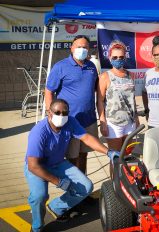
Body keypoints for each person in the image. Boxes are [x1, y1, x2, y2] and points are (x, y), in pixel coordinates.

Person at [24, 99, 119, 232]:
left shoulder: (71, 122)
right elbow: (33, 165)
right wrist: (58, 181)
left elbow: (86, 138)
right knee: (39, 196)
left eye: (65, 113)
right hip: (38, 167)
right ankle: (37, 227)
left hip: (57, 163)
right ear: (49, 113)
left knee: (86, 186)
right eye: (57, 112)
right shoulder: (39, 132)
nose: (61, 116)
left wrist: (108, 152)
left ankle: (56, 207)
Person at [45, 35, 99, 176]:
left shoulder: (91, 66)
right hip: (70, 121)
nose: (81, 49)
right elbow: (49, 91)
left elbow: (94, 89)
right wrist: (50, 114)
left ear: (89, 49)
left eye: (85, 47)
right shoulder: (60, 67)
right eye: (78, 46)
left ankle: (83, 188)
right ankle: (74, 189)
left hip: (89, 120)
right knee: (71, 157)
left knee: (84, 155)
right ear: (71, 48)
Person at [97, 40, 139, 151]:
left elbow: (132, 99)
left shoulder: (131, 75)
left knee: (127, 155)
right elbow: (100, 101)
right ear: (110, 57)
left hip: (130, 122)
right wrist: (102, 122)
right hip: (113, 123)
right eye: (115, 57)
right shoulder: (105, 77)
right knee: (115, 157)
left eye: (121, 57)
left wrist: (136, 118)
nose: (118, 60)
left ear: (125, 57)